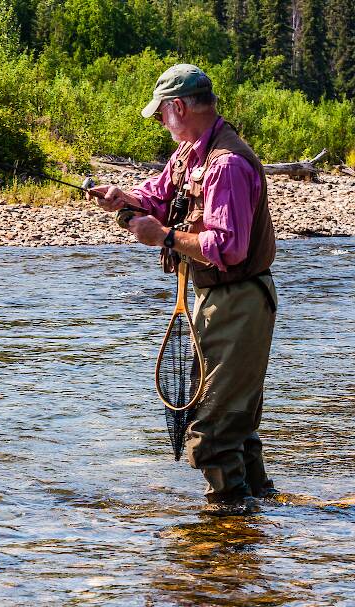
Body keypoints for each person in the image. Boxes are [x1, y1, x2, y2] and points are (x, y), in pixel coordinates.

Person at [89, 64, 278, 516]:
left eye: (160, 114)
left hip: (239, 299)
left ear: (178, 107)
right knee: (234, 421)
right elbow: (158, 194)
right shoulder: (191, 153)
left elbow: (226, 248)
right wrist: (125, 198)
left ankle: (225, 534)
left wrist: (165, 238)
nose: (159, 121)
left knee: (212, 429)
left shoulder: (226, 164)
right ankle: (261, 514)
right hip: (216, 299)